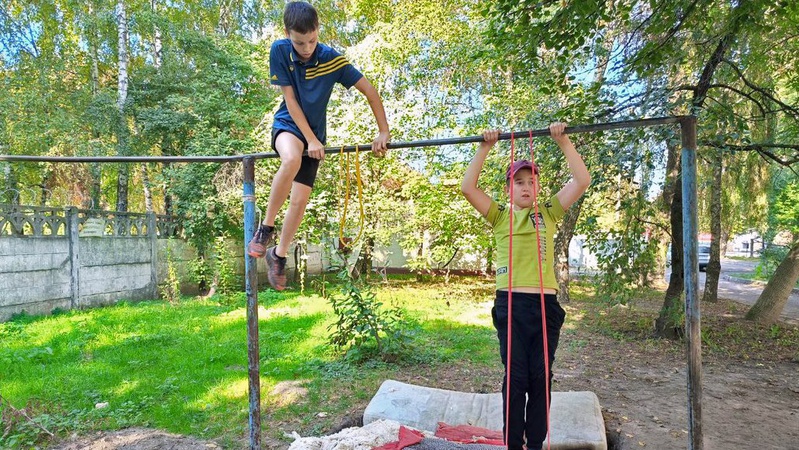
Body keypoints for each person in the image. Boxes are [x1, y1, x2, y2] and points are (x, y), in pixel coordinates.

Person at [460, 123, 590, 450]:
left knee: (541, 378)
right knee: (516, 379)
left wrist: (563, 141)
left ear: (538, 187)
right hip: (511, 307)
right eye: (519, 182)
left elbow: (581, 180)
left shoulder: (548, 212)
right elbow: (467, 187)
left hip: (545, 308)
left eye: (531, 181)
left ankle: (535, 444)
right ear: (509, 190)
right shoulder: (500, 216)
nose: (526, 186)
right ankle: (513, 445)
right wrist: (484, 148)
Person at [247, 1, 391, 290]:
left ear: (318, 31)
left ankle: (279, 255)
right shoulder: (279, 50)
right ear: (287, 33)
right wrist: (309, 139)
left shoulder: (332, 59)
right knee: (291, 159)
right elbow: (290, 100)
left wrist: (383, 131)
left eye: (312, 40)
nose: (306, 47)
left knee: (300, 200)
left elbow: (370, 92)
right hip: (289, 125)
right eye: (300, 42)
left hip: (315, 137)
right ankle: (265, 229)